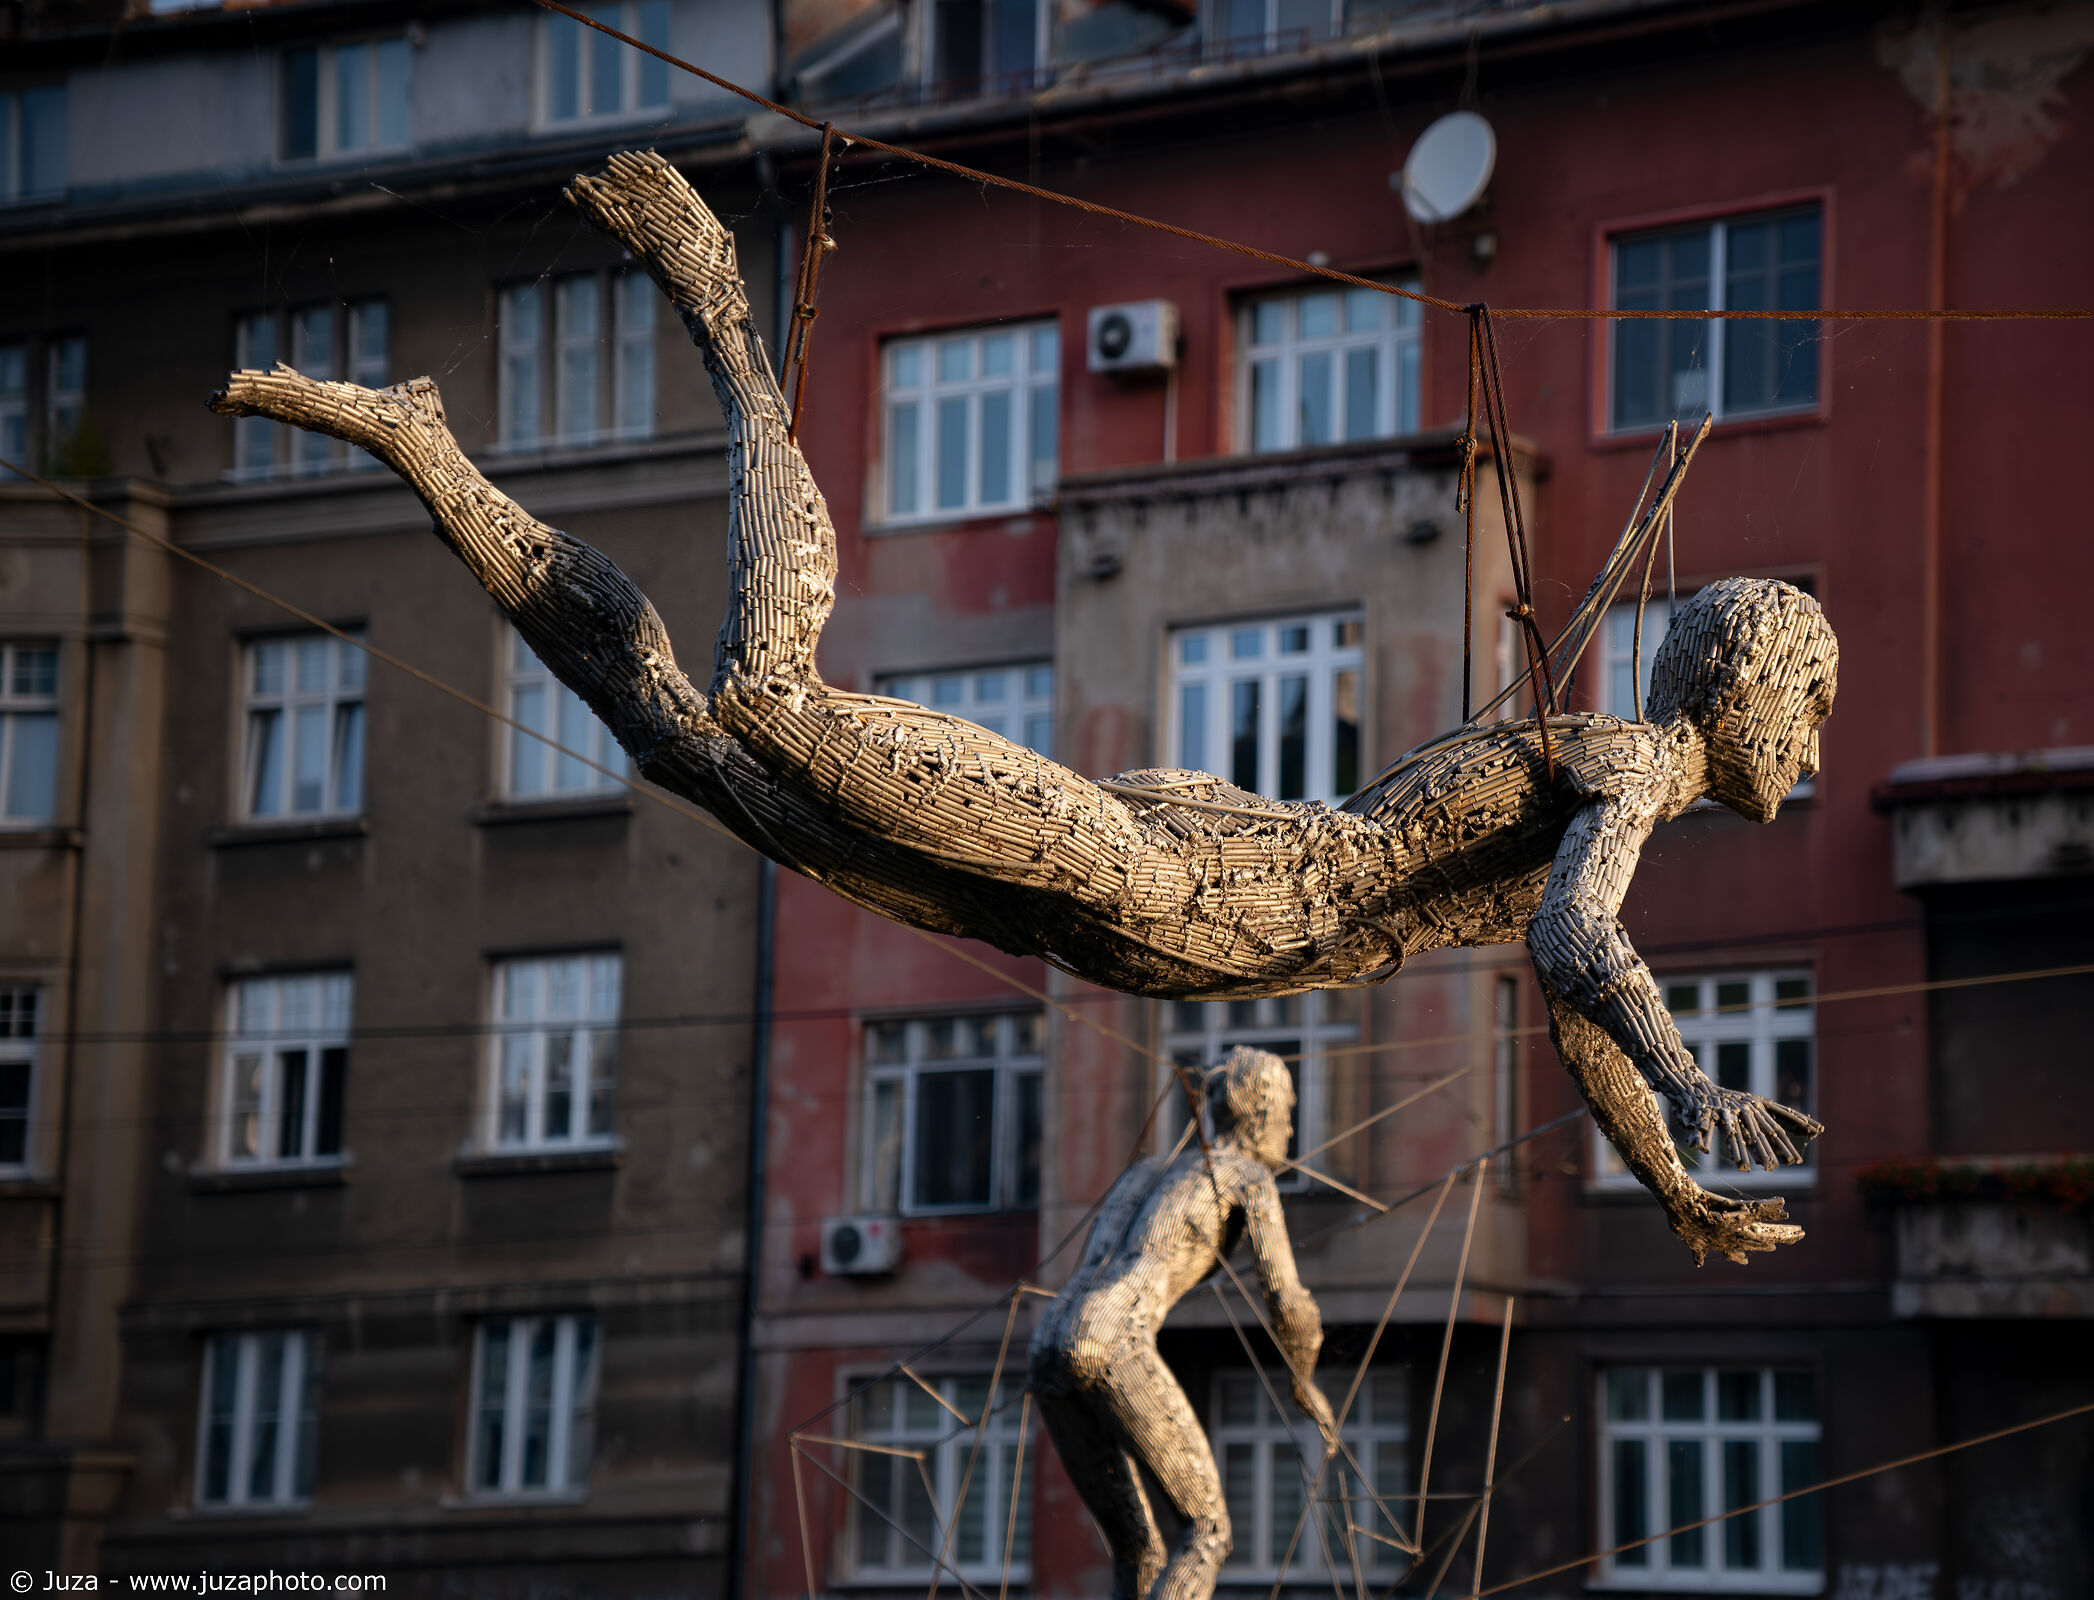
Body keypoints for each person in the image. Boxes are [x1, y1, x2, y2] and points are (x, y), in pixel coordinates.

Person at [210, 151, 1833, 1266]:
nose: (1818, 747)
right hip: (1173, 882)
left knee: (675, 745)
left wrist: (1671, 1178)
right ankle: (717, 293)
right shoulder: (1625, 758)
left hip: (1153, 918)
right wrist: (1694, 1088)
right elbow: (1576, 951)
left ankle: (428, 447)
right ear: (1743, 682)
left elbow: (1570, 1011)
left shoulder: (1615, 788)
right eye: (1813, 706)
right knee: (769, 697)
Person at [1029, 1048, 1334, 1600]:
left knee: (1138, 1547)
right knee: (1209, 1532)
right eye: (1286, 1110)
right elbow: (1287, 1301)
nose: (1290, 1126)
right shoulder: (1246, 1176)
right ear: (1258, 1110)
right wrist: (1302, 1378)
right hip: (1114, 1336)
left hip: (1048, 1338)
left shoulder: (1147, 1170)